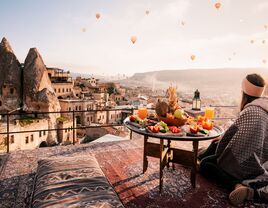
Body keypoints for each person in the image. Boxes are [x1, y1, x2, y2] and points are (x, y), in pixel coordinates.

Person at [198, 73, 268, 206]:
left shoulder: (250, 111)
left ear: (243, 92)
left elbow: (231, 142)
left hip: (245, 164)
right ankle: (201, 156)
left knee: (206, 164)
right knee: (216, 144)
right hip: (262, 160)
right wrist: (224, 137)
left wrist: (223, 140)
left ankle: (236, 185)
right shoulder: (264, 106)